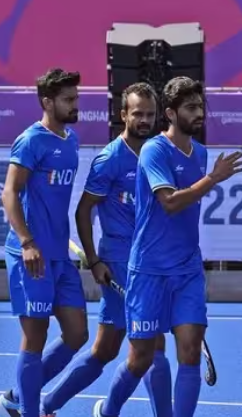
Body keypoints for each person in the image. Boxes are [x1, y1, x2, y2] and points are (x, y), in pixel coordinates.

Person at [92, 77, 242, 417]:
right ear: (172, 113)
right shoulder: (154, 150)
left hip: (187, 269)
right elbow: (170, 202)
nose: (199, 113)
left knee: (189, 352)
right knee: (141, 358)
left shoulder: (201, 153)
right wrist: (213, 178)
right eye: (191, 108)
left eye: (201, 106)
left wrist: (210, 176)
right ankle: (108, 411)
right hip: (148, 270)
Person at [38, 83, 172, 416]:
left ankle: (43, 402)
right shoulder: (111, 159)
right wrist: (95, 260)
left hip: (151, 263)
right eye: (137, 113)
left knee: (106, 349)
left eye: (150, 114)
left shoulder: (160, 153)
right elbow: (84, 210)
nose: (144, 120)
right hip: (120, 262)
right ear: (123, 114)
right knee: (154, 344)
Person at [0, 68, 87, 417]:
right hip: (31, 255)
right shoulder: (31, 140)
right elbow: (9, 193)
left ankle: (18, 396)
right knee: (35, 336)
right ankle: (29, 411)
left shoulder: (72, 140)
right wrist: (27, 242)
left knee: (77, 334)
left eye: (76, 98)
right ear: (47, 102)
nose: (75, 105)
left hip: (59, 255)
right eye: (68, 100)